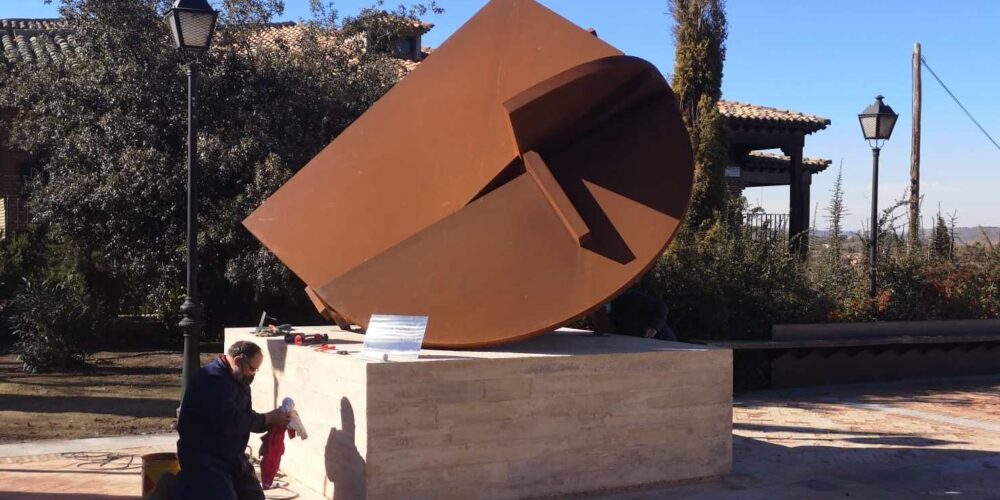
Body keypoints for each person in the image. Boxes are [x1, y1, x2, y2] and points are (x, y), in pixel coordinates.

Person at [173, 340, 291, 500]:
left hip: (232, 456)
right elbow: (231, 421)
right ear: (237, 361)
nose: (253, 373)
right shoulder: (212, 381)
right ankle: (177, 489)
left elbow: (244, 415)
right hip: (205, 457)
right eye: (252, 368)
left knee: (253, 495)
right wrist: (268, 418)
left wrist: (268, 427)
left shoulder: (238, 377)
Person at [590, 290, 678, 341]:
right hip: (640, 346)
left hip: (663, 339)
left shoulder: (629, 299)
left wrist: (654, 326)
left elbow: (661, 307)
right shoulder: (606, 316)